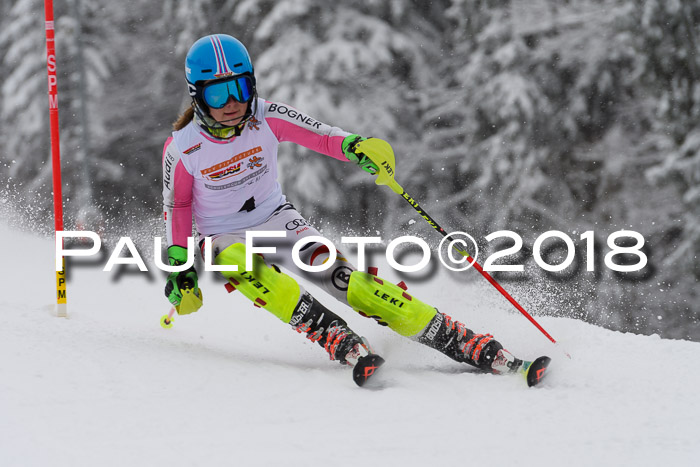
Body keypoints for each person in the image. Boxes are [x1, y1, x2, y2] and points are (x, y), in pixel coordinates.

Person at [162, 33, 523, 378]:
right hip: (222, 235)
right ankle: (331, 333)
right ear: (198, 96)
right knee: (249, 270)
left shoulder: (265, 116)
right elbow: (177, 206)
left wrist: (355, 146)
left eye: (239, 88)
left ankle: (459, 338)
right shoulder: (182, 147)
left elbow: (321, 135)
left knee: (350, 282)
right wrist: (181, 267)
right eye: (218, 93)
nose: (232, 103)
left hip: (275, 218)